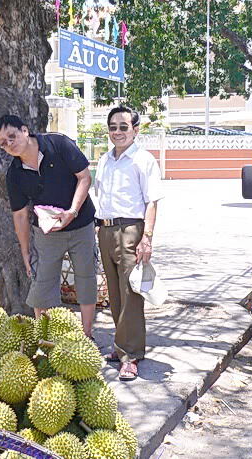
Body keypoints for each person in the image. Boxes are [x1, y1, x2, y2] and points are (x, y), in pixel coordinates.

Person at [0, 114, 97, 338]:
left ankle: (87, 335)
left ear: (24, 130)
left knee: (86, 279)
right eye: (3, 142)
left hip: (81, 223)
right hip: (47, 232)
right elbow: (19, 215)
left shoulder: (59, 144)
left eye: (12, 136)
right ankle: (44, 338)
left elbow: (85, 178)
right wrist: (24, 250)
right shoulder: (15, 174)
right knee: (42, 285)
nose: (10, 144)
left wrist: (72, 211)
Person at [95, 106, 163, 381]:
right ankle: (120, 347)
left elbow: (152, 202)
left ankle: (131, 355)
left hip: (131, 230)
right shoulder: (104, 160)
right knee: (114, 292)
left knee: (131, 294)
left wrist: (147, 238)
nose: (118, 132)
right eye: (113, 126)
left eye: (124, 126)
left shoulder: (143, 160)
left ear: (136, 130)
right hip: (106, 229)